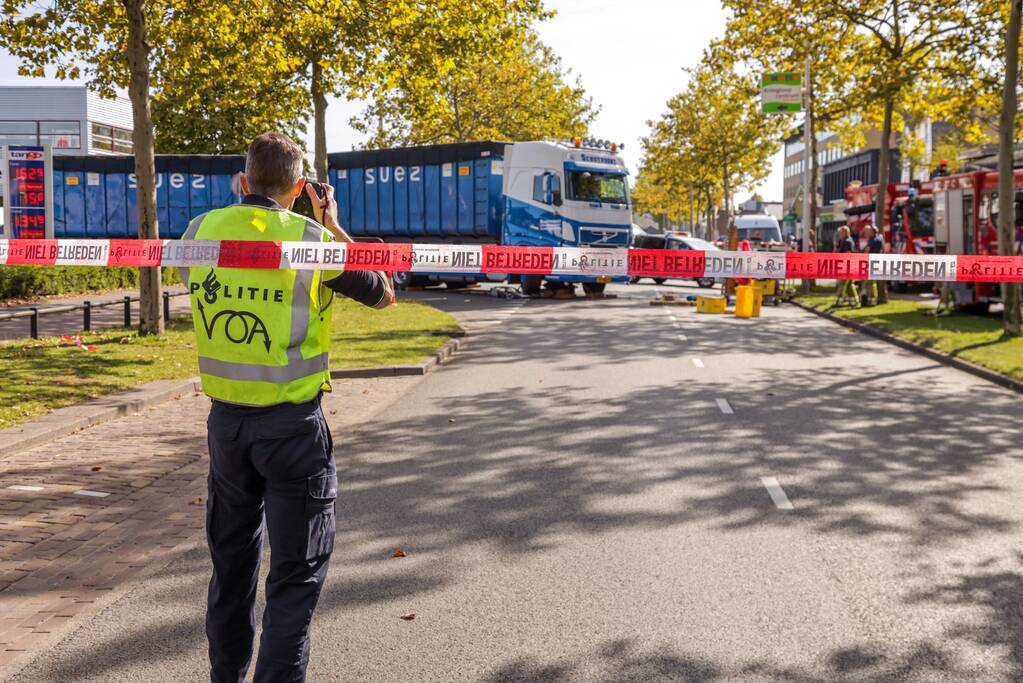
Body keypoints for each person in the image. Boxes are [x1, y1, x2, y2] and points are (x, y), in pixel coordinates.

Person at [179, 132, 394, 683]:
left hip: (226, 429)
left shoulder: (200, 233)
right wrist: (331, 222)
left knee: (230, 570)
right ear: (299, 188)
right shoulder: (312, 240)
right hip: (293, 431)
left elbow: (192, 280)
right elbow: (383, 291)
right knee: (294, 580)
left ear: (243, 182)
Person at [834, 225, 859, 307]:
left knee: (842, 284)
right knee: (849, 285)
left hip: (846, 266)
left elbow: (847, 254)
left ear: (846, 233)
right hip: (843, 266)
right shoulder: (842, 241)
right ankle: (854, 301)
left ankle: (838, 301)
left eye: (841, 232)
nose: (840, 234)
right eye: (840, 232)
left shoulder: (848, 242)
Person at [861, 224, 884, 305]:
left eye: (869, 231)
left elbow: (867, 250)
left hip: (871, 262)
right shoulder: (880, 238)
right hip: (877, 261)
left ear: (872, 232)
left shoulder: (872, 239)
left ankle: (871, 299)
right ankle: (873, 299)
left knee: (869, 282)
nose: (868, 233)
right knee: (873, 282)